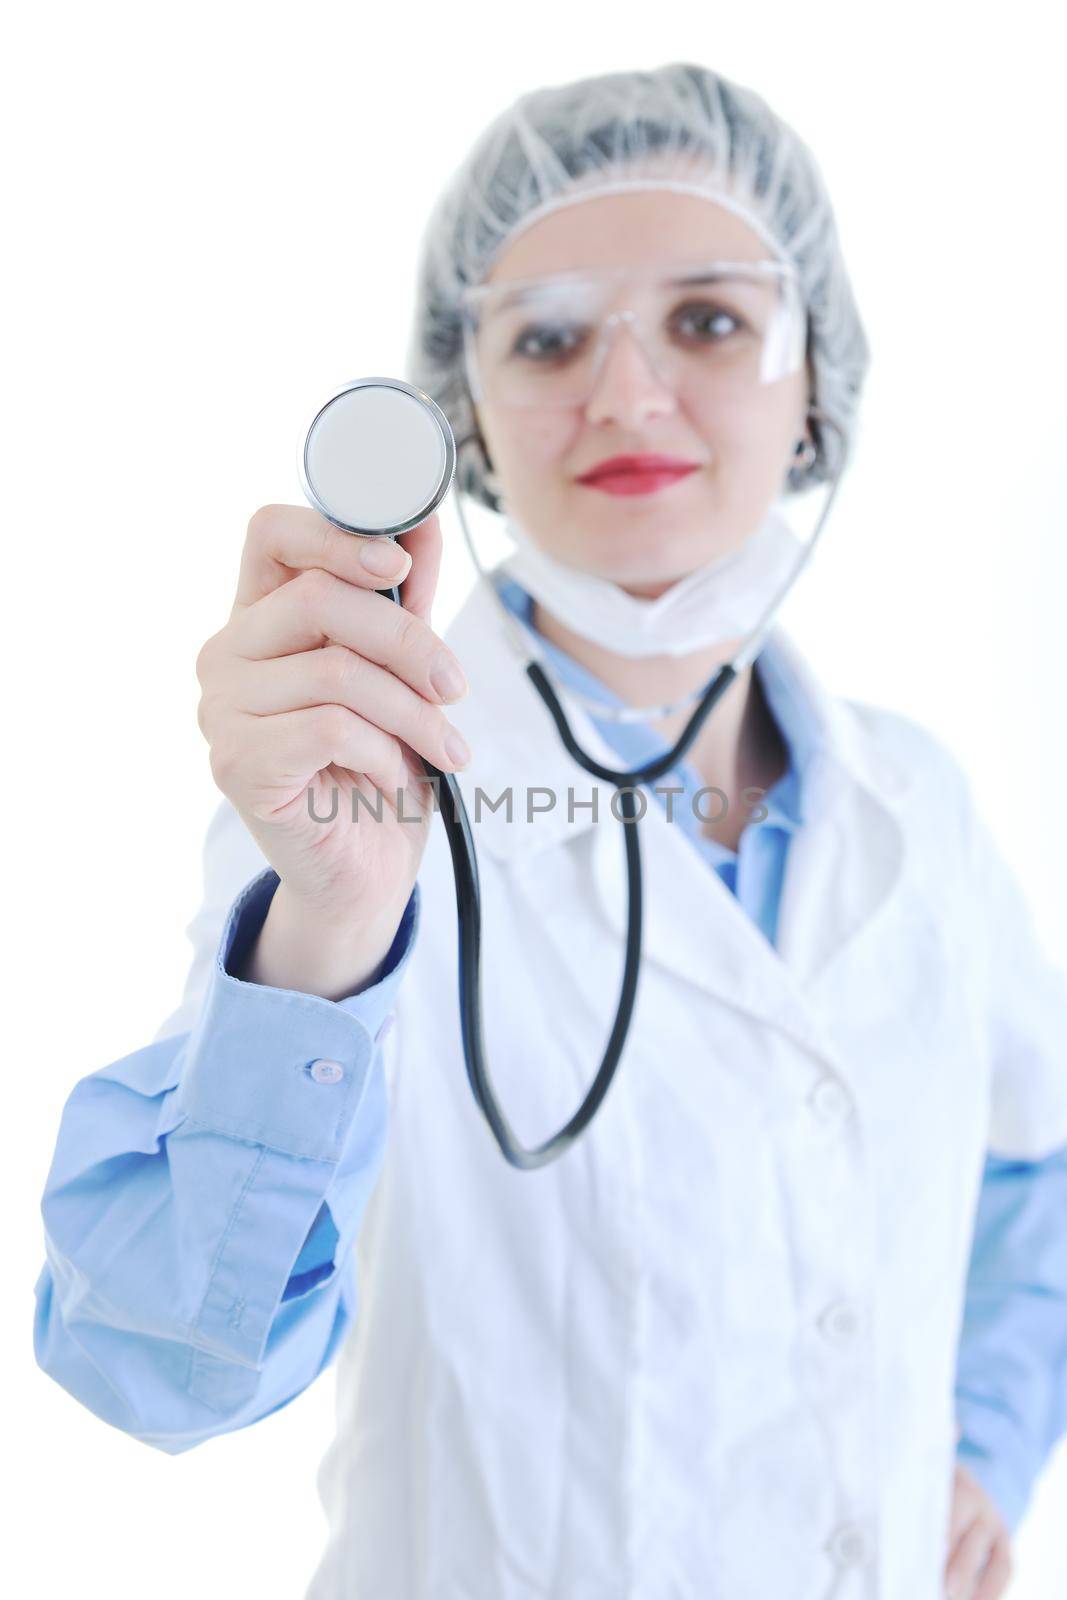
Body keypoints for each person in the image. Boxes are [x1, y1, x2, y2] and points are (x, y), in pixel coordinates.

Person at [33, 61, 1067, 1600]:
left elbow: (1029, 1167)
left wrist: (984, 1436)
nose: (628, 395)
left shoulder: (916, 801)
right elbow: (160, 1371)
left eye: (709, 321)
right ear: (464, 415)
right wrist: (327, 932)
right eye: (550, 337)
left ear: (817, 387)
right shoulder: (348, 799)